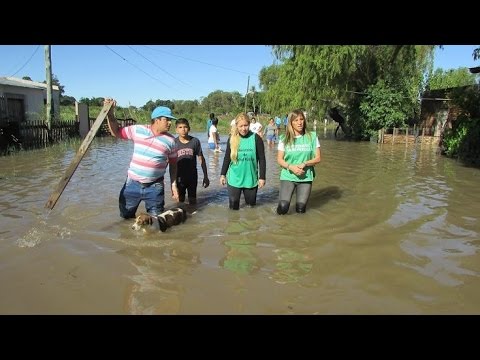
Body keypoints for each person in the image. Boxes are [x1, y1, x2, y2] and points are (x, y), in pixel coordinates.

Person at [104, 98, 179, 219]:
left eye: (170, 120)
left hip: (155, 186)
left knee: (157, 220)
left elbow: (174, 165)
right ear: (156, 120)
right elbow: (116, 132)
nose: (170, 123)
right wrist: (110, 113)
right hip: (132, 184)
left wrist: (173, 185)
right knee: (126, 218)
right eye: (167, 119)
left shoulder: (171, 141)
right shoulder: (138, 130)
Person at [276, 109, 321, 215]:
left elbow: (318, 158)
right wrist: (291, 167)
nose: (299, 122)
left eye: (301, 119)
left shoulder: (312, 136)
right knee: (283, 207)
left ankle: (300, 230)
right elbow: (279, 159)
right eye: (296, 120)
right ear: (290, 123)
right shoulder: (284, 138)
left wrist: (305, 163)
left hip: (305, 177)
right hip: (288, 175)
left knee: (301, 209)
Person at [220, 112, 266, 210]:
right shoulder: (231, 139)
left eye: (246, 125)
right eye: (241, 126)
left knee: (251, 208)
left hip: (251, 179)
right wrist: (222, 174)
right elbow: (227, 158)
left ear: (249, 125)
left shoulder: (256, 138)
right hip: (234, 179)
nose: (243, 128)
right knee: (233, 207)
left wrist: (262, 177)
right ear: (236, 126)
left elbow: (262, 159)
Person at [174, 118, 209, 205]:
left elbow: (201, 159)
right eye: (180, 127)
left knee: (193, 201)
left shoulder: (195, 141)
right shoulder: (173, 143)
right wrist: (172, 182)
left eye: (185, 127)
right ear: (176, 130)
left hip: (192, 176)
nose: (183, 129)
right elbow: (169, 162)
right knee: (180, 201)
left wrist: (205, 176)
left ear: (189, 128)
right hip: (179, 177)